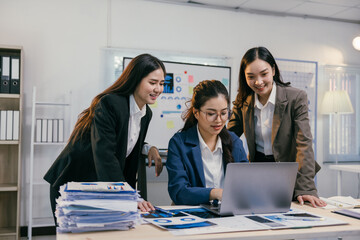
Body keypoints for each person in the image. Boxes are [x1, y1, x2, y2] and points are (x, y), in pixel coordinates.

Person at [44, 53, 166, 221]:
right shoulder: (111, 103)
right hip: (75, 183)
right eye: (152, 83)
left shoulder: (146, 114)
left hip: (100, 186)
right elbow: (105, 154)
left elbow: (125, 140)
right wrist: (130, 197)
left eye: (161, 83)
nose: (158, 89)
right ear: (135, 79)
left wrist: (148, 147)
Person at [227, 47, 326, 207]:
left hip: (290, 174)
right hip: (258, 174)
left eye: (264, 74)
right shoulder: (243, 101)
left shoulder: (296, 97)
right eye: (251, 77)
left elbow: (304, 145)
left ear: (273, 70)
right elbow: (228, 137)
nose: (258, 82)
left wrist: (306, 189)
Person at [166, 80, 248, 205]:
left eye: (224, 113)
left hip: (229, 215)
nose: (219, 120)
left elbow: (246, 184)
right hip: (194, 216)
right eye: (211, 114)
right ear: (196, 112)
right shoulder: (179, 144)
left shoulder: (234, 142)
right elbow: (179, 191)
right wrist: (214, 193)